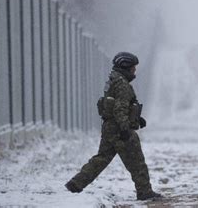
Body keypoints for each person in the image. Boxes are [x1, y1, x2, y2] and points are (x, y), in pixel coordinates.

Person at [65, 52, 162, 201]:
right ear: (126, 67)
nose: (134, 71)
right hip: (119, 128)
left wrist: (137, 119)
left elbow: (118, 106)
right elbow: (119, 108)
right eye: (133, 68)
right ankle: (144, 191)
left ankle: (76, 183)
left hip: (110, 126)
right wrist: (125, 128)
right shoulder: (122, 84)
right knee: (137, 161)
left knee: (102, 158)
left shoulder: (115, 80)